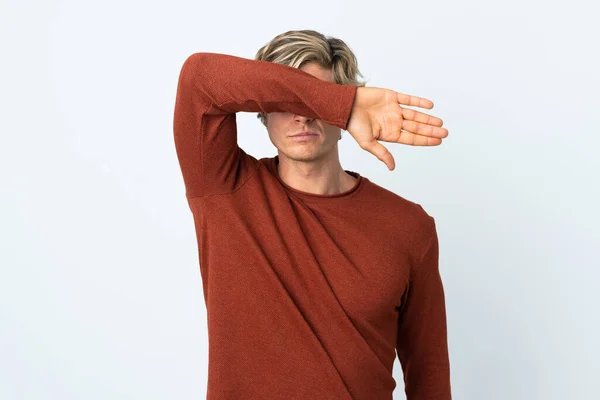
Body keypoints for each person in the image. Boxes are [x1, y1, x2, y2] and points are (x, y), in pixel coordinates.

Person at [172, 29, 451, 400]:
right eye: (287, 99)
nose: (302, 116)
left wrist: (339, 105)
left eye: (315, 101)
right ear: (263, 113)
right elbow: (199, 77)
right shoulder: (225, 190)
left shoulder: (409, 226)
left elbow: (428, 370)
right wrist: (339, 102)